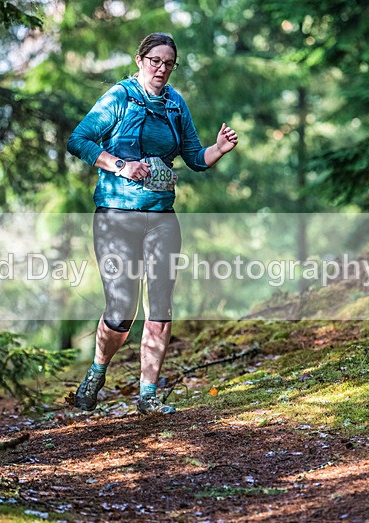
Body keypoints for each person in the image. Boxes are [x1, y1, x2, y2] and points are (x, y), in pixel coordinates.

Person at [67, 32, 238, 415]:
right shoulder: (119, 97)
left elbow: (196, 157)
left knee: (160, 306)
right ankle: (97, 371)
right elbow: (78, 140)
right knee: (122, 308)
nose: (162, 68)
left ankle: (148, 395)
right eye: (155, 61)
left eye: (169, 63)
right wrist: (122, 165)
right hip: (116, 215)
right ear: (140, 60)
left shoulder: (176, 105)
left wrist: (219, 150)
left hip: (162, 218)